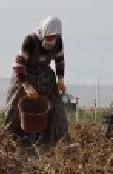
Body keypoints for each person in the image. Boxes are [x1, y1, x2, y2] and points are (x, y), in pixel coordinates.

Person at [4, 16, 68, 144]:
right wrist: (26, 85)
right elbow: (18, 65)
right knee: (15, 107)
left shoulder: (58, 42)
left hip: (43, 74)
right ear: (44, 32)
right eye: (50, 37)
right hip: (25, 74)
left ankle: (54, 141)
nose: (52, 40)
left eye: (55, 37)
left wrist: (60, 78)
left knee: (55, 105)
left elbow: (60, 60)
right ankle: (11, 141)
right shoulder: (31, 41)